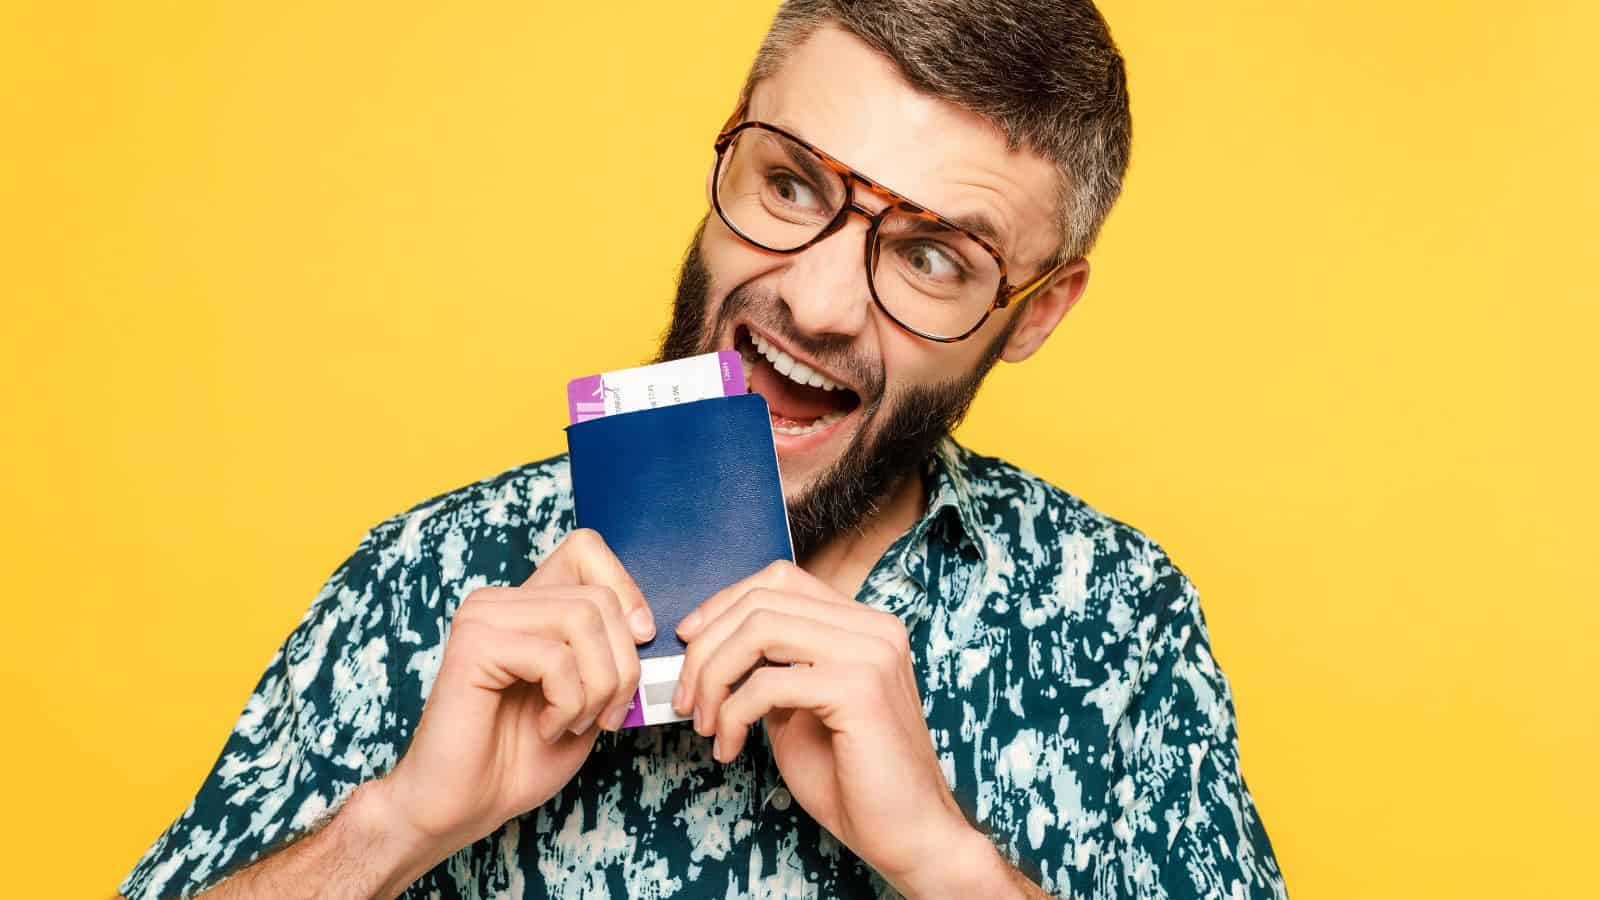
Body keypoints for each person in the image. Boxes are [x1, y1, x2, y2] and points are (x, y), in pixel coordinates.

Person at [118, 1, 1286, 897]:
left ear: (1032, 311)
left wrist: (945, 862)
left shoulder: (1118, 621)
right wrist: (396, 825)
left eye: (936, 256)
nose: (821, 303)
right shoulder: (424, 576)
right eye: (789, 184)